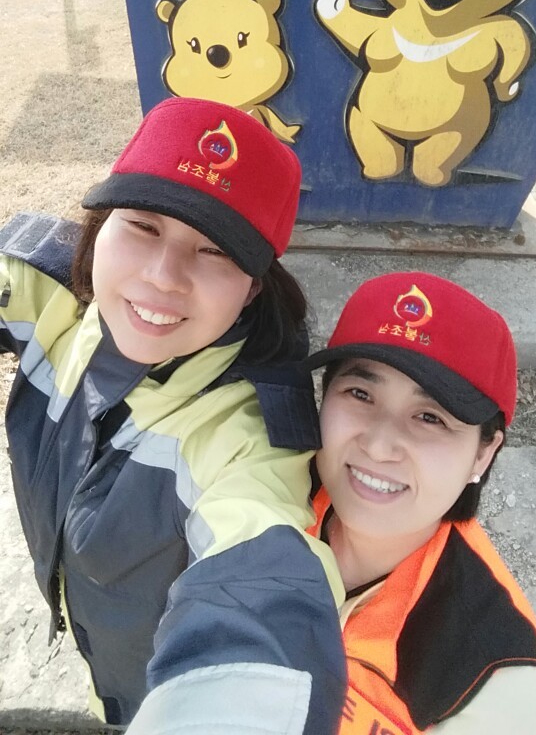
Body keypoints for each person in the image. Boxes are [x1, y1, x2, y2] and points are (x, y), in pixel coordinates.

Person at [0, 97, 346, 735]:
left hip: (150, 682)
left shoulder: (248, 436)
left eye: (215, 251)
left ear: (254, 285)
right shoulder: (48, 292)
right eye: (143, 225)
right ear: (98, 226)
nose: (164, 277)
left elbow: (262, 578)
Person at [306, 272, 536, 734]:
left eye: (430, 418)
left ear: (484, 453)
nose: (378, 446)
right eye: (360, 394)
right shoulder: (260, 493)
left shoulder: (494, 679)